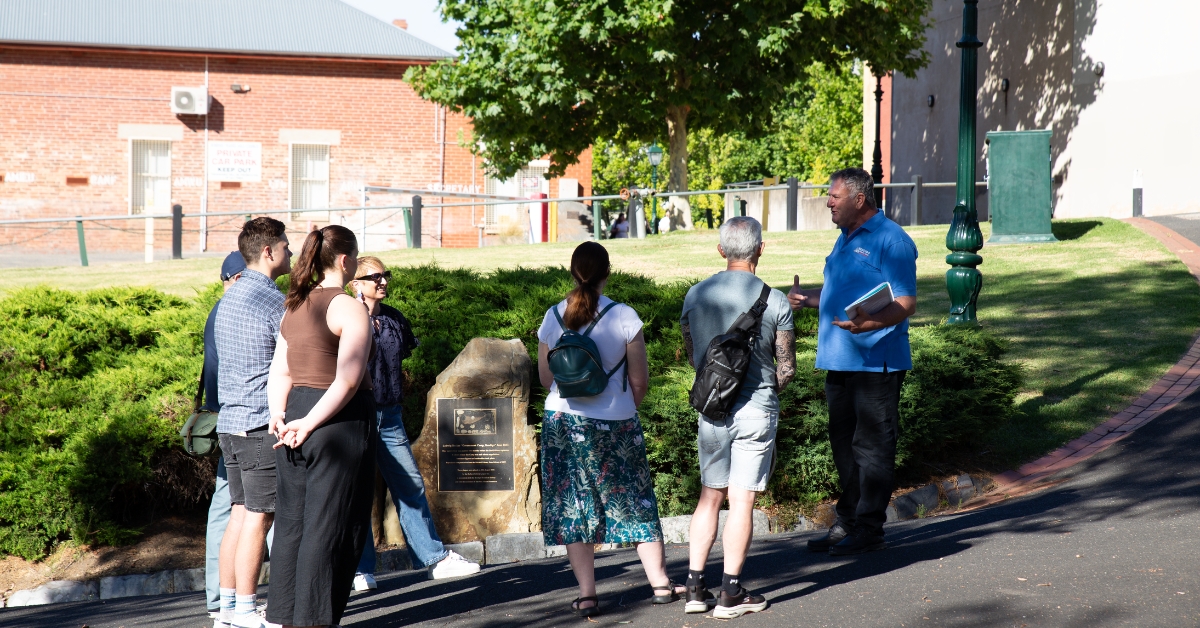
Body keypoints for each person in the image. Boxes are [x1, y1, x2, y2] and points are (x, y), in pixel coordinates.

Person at [536, 241, 684, 618]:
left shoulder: (553, 315)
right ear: (608, 272)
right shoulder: (624, 316)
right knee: (634, 501)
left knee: (575, 504)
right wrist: (621, 410)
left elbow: (544, 378)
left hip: (562, 422)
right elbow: (639, 381)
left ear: (572, 271)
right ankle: (661, 584)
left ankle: (587, 595)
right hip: (615, 422)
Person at [787, 167, 917, 556]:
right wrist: (808, 298)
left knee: (872, 448)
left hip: (876, 361)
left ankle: (870, 528)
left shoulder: (892, 241)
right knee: (844, 447)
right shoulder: (843, 238)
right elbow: (837, 290)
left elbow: (906, 302)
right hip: (838, 361)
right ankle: (849, 519)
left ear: (859, 200)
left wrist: (869, 325)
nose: (827, 202)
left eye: (833, 196)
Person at [679, 216, 795, 619]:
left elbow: (696, 358)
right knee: (741, 501)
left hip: (712, 411)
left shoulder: (695, 295)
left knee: (710, 496)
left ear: (721, 250)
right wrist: (764, 394)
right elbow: (787, 368)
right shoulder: (776, 300)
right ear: (760, 249)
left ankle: (694, 587)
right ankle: (730, 593)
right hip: (756, 411)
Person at [266, 225, 376, 628]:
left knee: (293, 521)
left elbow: (280, 371)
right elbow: (347, 380)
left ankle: (285, 617)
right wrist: (309, 424)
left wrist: (279, 416)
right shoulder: (349, 307)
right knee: (330, 524)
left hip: (293, 416)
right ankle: (314, 620)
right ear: (345, 261)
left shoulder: (294, 305)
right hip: (336, 422)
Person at [348, 256, 481, 588]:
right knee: (358, 494)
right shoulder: (345, 318)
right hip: (355, 415)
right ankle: (362, 570)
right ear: (355, 284)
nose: (383, 281)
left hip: (389, 416)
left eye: (385, 275)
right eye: (374, 276)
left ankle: (434, 559)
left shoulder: (394, 320)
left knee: (410, 486)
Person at [214, 219, 292, 628]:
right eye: (286, 246)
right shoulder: (269, 300)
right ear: (268, 251)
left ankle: (228, 609)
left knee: (242, 514)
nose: (291, 253)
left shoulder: (231, 294)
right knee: (259, 518)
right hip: (260, 423)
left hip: (231, 421)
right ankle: (245, 610)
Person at [204, 252, 245, 621]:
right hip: (237, 417)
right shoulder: (229, 311)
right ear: (235, 278)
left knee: (229, 504)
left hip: (226, 415)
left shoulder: (220, 309)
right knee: (239, 505)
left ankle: (220, 594)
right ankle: (225, 595)